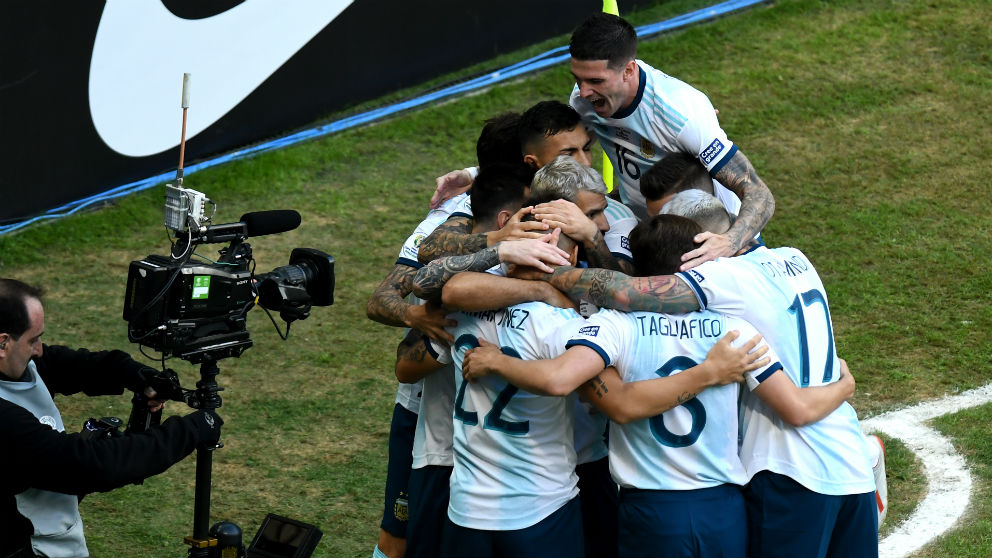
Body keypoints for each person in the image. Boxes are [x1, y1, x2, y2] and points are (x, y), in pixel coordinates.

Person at [513, 203, 880, 557]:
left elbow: (601, 385)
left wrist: (540, 283)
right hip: (736, 505)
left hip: (669, 504)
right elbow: (796, 404)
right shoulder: (745, 318)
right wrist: (844, 387)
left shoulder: (618, 324)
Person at [0, 278, 222, 558]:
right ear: (3, 343)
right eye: (33, 340)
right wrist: (192, 429)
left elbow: (79, 365)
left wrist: (142, 377)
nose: (40, 349)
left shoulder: (19, 366)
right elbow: (91, 464)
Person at [568, 12, 775, 270]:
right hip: (652, 238)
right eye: (578, 79)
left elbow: (759, 194)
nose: (584, 91)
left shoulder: (681, 112)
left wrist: (728, 243)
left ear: (628, 70)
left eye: (595, 81)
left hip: (712, 240)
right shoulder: (584, 102)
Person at [419, 101, 638, 278]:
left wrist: (593, 238)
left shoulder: (612, 214)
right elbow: (429, 249)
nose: (584, 162)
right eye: (567, 154)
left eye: (587, 148)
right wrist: (499, 239)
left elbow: (626, 288)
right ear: (531, 163)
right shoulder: (507, 199)